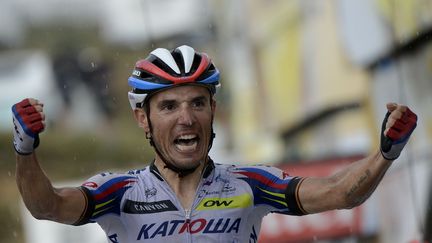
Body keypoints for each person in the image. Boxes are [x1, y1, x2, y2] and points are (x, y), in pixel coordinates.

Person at [12, 45, 417, 243]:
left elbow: (339, 193)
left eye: (197, 104)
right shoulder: (118, 193)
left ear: (212, 110)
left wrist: (385, 153)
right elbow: (46, 205)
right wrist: (25, 150)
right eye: (168, 106)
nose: (186, 118)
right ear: (143, 118)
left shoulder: (250, 183)